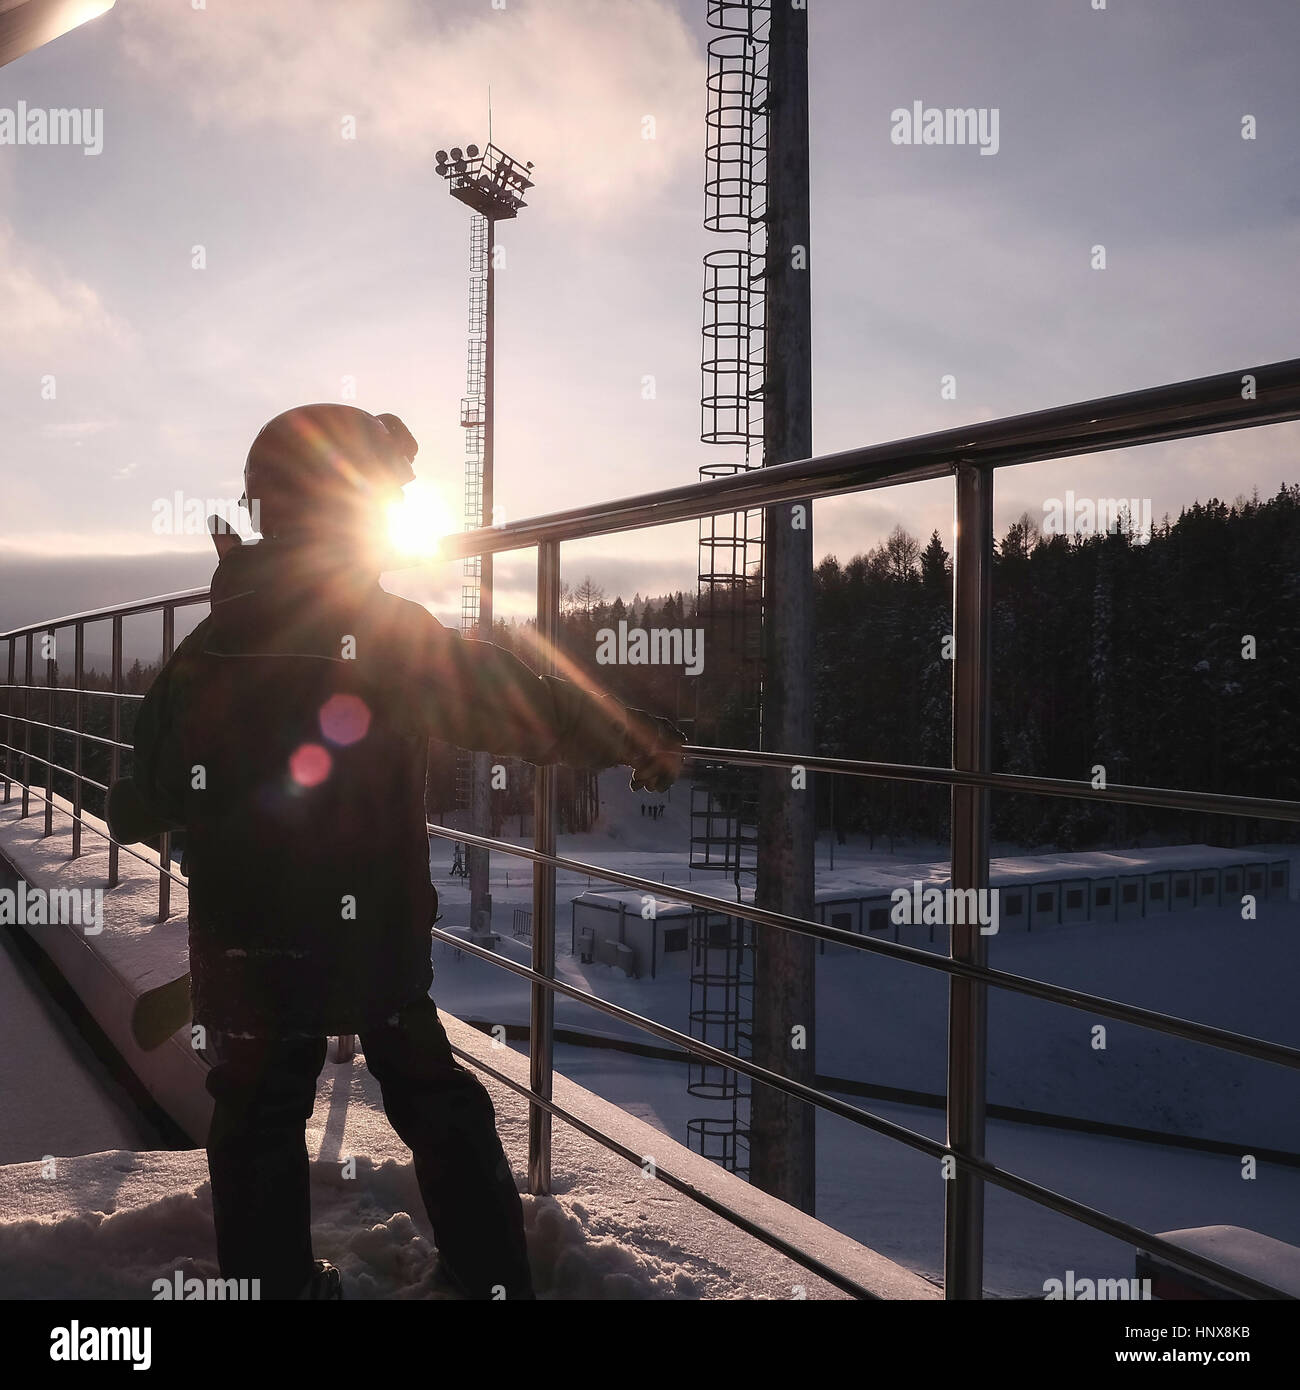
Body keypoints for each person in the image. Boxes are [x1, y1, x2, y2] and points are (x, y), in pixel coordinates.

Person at [108, 404, 685, 1300]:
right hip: (368, 939)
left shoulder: (202, 654)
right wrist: (630, 737)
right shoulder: (385, 636)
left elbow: (133, 804)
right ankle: (490, 1277)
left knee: (256, 1117)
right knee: (435, 1098)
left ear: (264, 513)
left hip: (245, 945)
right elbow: (515, 703)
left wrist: (172, 802)